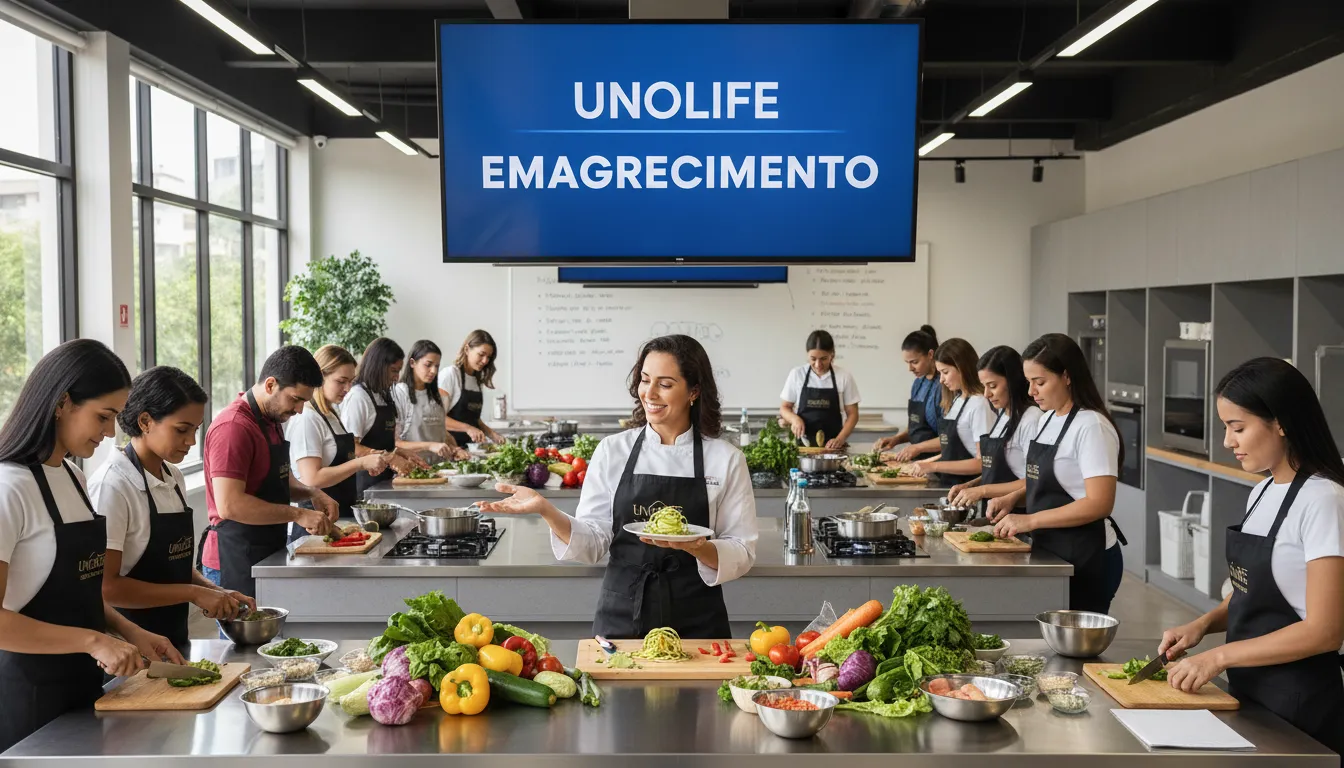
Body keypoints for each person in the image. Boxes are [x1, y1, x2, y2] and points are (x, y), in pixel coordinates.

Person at [478, 335, 758, 639]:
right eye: (645, 380)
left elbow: (742, 550)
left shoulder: (726, 459)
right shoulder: (613, 450)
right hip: (623, 613)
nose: (649, 393)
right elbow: (594, 541)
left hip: (698, 619)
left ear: (694, 391)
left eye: (665, 384)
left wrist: (699, 547)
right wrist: (546, 510)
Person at [0, 340, 182, 753]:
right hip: (28, 699)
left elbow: (73, 593)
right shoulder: (9, 487)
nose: (107, 433)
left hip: (85, 685)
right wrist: (92, 641)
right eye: (103, 417)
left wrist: (130, 631)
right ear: (62, 402)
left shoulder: (75, 479)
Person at [1158, 358, 1344, 753]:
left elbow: (1325, 630)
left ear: (1280, 423)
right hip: (1248, 686)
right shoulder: (1261, 492)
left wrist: (1218, 658)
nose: (1228, 441)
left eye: (1237, 427)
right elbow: (1255, 591)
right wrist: (1203, 624)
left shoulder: (1324, 500)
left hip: (1297, 700)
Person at [90, 366, 256, 651]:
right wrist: (193, 593)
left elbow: (174, 568)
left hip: (175, 638)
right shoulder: (113, 485)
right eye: (181, 430)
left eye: (195, 430)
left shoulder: (173, 476)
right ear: (145, 421)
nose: (191, 442)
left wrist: (215, 591)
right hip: (131, 649)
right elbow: (108, 588)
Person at [992, 333, 1127, 613]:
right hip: (1052, 550)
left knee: (1074, 652)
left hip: (1087, 556)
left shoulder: (1091, 427)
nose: (1031, 391)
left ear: (1066, 376)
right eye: (1029, 382)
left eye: (1040, 382)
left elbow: (1099, 503)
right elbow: (1049, 482)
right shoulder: (1047, 419)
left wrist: (1030, 520)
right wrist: (1014, 497)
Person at [197, 346, 340, 598]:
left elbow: (277, 481)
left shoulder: (272, 420)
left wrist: (312, 493)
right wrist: (297, 513)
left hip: (265, 550)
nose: (299, 410)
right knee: (244, 638)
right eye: (296, 399)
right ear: (271, 385)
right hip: (234, 557)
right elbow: (230, 505)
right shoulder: (234, 427)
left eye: (304, 402)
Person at [286, 345, 390, 542]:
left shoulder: (332, 414)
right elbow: (311, 479)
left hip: (338, 518)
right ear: (319, 377)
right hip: (316, 526)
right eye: (341, 381)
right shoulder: (308, 418)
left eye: (351, 381)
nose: (348, 389)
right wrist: (359, 464)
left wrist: (369, 458)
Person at [945, 346, 1044, 514]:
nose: (986, 394)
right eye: (984, 386)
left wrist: (983, 491)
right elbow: (995, 473)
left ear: (1013, 381)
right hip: (996, 515)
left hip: (1020, 515)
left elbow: (1034, 480)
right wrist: (971, 485)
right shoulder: (1003, 415)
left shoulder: (1031, 419)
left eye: (992, 385)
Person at [343, 337, 429, 494]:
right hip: (365, 486)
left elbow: (381, 444)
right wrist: (390, 458)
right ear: (378, 366)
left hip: (384, 483)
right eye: (394, 371)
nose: (397, 377)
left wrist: (400, 452)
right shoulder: (358, 397)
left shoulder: (382, 395)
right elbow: (351, 446)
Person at [906, 338, 992, 488]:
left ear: (962, 368)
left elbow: (982, 463)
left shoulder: (979, 404)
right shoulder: (958, 399)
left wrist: (934, 466)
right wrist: (925, 463)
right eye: (940, 373)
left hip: (970, 487)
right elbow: (951, 451)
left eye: (945, 372)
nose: (941, 380)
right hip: (951, 485)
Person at [778, 330, 861, 449]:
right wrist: (794, 419)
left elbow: (853, 414)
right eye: (813, 359)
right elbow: (785, 407)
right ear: (807, 355)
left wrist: (840, 439)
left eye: (823, 359)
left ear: (832, 355)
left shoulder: (843, 376)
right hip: (802, 446)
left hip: (833, 448)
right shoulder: (797, 374)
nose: (818, 364)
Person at [394, 340, 467, 465]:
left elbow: (441, 434)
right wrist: (430, 446)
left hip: (440, 469)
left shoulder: (435, 395)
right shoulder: (400, 393)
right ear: (412, 363)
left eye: (437, 366)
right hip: (412, 470)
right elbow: (395, 444)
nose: (433, 371)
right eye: (428, 365)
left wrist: (454, 449)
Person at [875, 325, 942, 461]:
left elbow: (950, 439)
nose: (910, 368)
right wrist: (897, 439)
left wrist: (917, 448)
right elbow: (916, 428)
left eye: (914, 362)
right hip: (917, 462)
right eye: (907, 363)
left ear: (930, 354)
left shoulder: (943, 386)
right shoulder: (918, 383)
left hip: (938, 462)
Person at [439, 330, 504, 447]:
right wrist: (468, 428)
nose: (485, 361)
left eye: (488, 357)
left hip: (468, 449)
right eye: (481, 354)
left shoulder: (476, 380)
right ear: (467, 349)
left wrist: (492, 434)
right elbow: (437, 418)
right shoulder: (450, 375)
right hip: (449, 447)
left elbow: (473, 418)